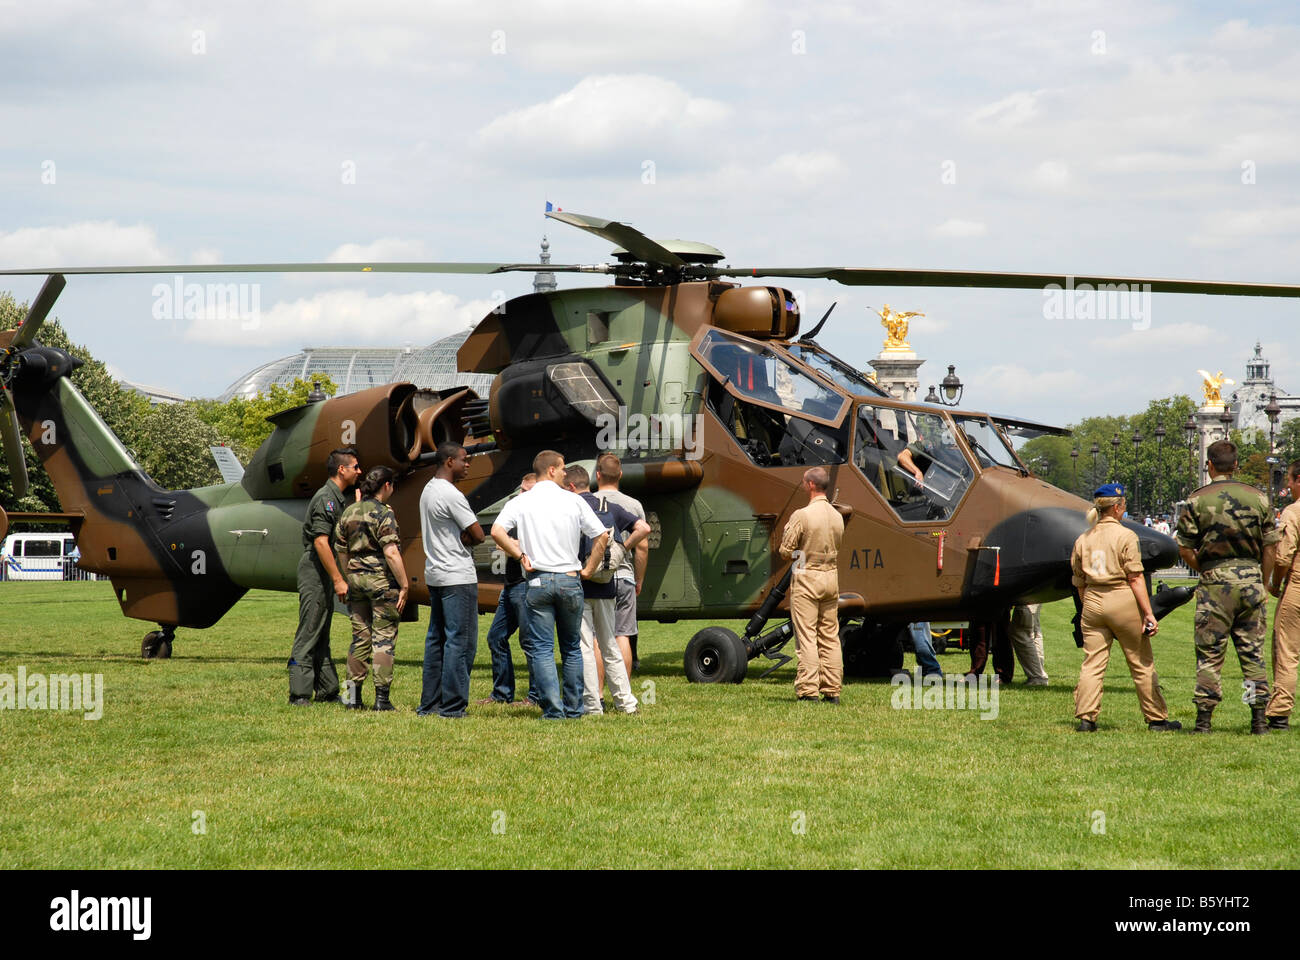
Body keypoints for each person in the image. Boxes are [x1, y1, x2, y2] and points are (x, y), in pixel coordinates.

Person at [491, 450, 608, 719]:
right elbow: (601, 536)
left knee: (543, 648)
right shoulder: (573, 500)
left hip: (538, 581)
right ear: (552, 470)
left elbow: (496, 531)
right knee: (571, 647)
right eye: (563, 467)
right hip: (569, 579)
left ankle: (553, 711)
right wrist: (589, 569)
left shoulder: (522, 501)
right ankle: (574, 708)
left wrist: (519, 554)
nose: (566, 472)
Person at [1176, 440, 1278, 734]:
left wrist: (1207, 570)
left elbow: (1185, 548)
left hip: (1214, 584)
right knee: (1252, 653)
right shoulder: (1258, 498)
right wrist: (1262, 577)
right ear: (1235, 465)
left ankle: (1204, 721)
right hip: (1251, 581)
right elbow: (1271, 547)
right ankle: (1258, 719)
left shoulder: (1196, 501)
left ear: (1209, 465)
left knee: (1209, 655)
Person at [1072, 483, 1179, 732]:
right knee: (1140, 661)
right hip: (1121, 597)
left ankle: (1086, 718)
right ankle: (1156, 718)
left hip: (1093, 599)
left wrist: (1087, 603)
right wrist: (1148, 613)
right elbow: (1135, 578)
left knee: (1093, 663)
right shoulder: (1126, 536)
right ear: (1118, 508)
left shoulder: (1083, 539)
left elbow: (1078, 581)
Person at [565, 464, 650, 715]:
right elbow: (644, 529)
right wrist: (623, 549)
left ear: (570, 486)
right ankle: (627, 702)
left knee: (586, 647)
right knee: (610, 644)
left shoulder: (570, 507)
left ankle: (592, 705)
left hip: (580, 585)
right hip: (607, 586)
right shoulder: (607, 506)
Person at [288, 447, 360, 706]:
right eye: (355, 467)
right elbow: (320, 542)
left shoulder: (338, 498)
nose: (359, 471)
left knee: (321, 630)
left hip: (323, 571)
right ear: (342, 469)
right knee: (309, 630)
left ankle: (327, 689)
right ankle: (299, 693)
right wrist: (339, 579)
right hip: (315, 570)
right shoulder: (325, 499)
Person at [417, 443, 484, 719]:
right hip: (458, 575)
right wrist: (467, 536)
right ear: (448, 462)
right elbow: (478, 534)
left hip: (435, 573)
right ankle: (453, 706)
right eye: (463, 460)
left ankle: (429, 704)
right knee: (461, 641)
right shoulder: (451, 494)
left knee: (437, 640)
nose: (467, 465)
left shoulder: (428, 489)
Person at [334, 466, 409, 711]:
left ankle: (350, 698)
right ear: (386, 485)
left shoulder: (349, 512)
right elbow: (391, 552)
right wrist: (405, 584)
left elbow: (341, 550)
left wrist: (349, 576)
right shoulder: (384, 513)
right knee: (383, 640)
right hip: (381, 582)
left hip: (356, 582)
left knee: (359, 639)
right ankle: (382, 700)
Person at [779, 466, 845, 703]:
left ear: (810, 485)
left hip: (807, 578)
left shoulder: (802, 515)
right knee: (829, 635)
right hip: (831, 578)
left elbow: (786, 551)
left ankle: (808, 690)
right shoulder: (837, 516)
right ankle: (832, 690)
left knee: (807, 636)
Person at [478, 473, 539, 706]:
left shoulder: (538, 515)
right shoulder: (515, 511)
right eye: (521, 489)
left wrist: (511, 544)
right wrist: (516, 545)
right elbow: (498, 541)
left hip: (526, 585)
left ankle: (535, 696)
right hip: (511, 585)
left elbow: (521, 544)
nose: (521, 494)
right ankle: (502, 693)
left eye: (527, 490)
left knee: (530, 642)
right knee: (496, 637)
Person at [593, 453, 649, 672]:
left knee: (597, 635)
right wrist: (639, 579)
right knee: (622, 634)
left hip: (597, 577)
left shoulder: (588, 502)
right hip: (624, 575)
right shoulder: (634, 505)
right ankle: (624, 691)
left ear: (597, 475)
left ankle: (597, 691)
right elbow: (642, 547)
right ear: (621, 475)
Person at [1265, 460, 1300, 730]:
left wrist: (1275, 583)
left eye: (1289, 479)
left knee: (1286, 651)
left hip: (1297, 585)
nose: (1286, 485)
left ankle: (1279, 712)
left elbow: (1283, 556)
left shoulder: (1292, 512)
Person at [1009, 604, 1048, 685]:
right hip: (1034, 597)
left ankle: (1037, 676)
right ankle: (1039, 674)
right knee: (1034, 632)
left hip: (1027, 599)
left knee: (1021, 633)